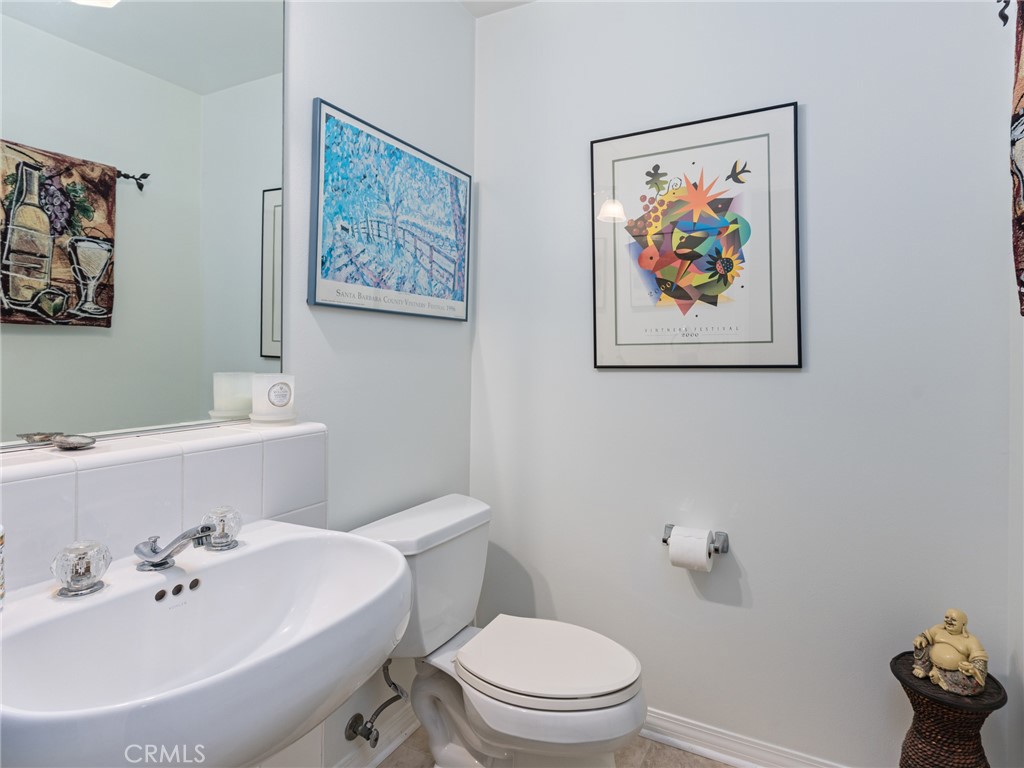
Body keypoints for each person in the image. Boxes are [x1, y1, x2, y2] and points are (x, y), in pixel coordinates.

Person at [912, 608, 988, 695]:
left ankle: (939, 677)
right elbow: (925, 636)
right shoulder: (938, 629)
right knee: (921, 644)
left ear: (963, 624)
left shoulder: (972, 641)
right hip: (930, 661)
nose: (949, 621)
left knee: (975, 685)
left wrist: (971, 668)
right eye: (946, 617)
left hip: (954, 671)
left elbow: (980, 660)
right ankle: (923, 668)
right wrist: (921, 638)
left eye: (953, 620)